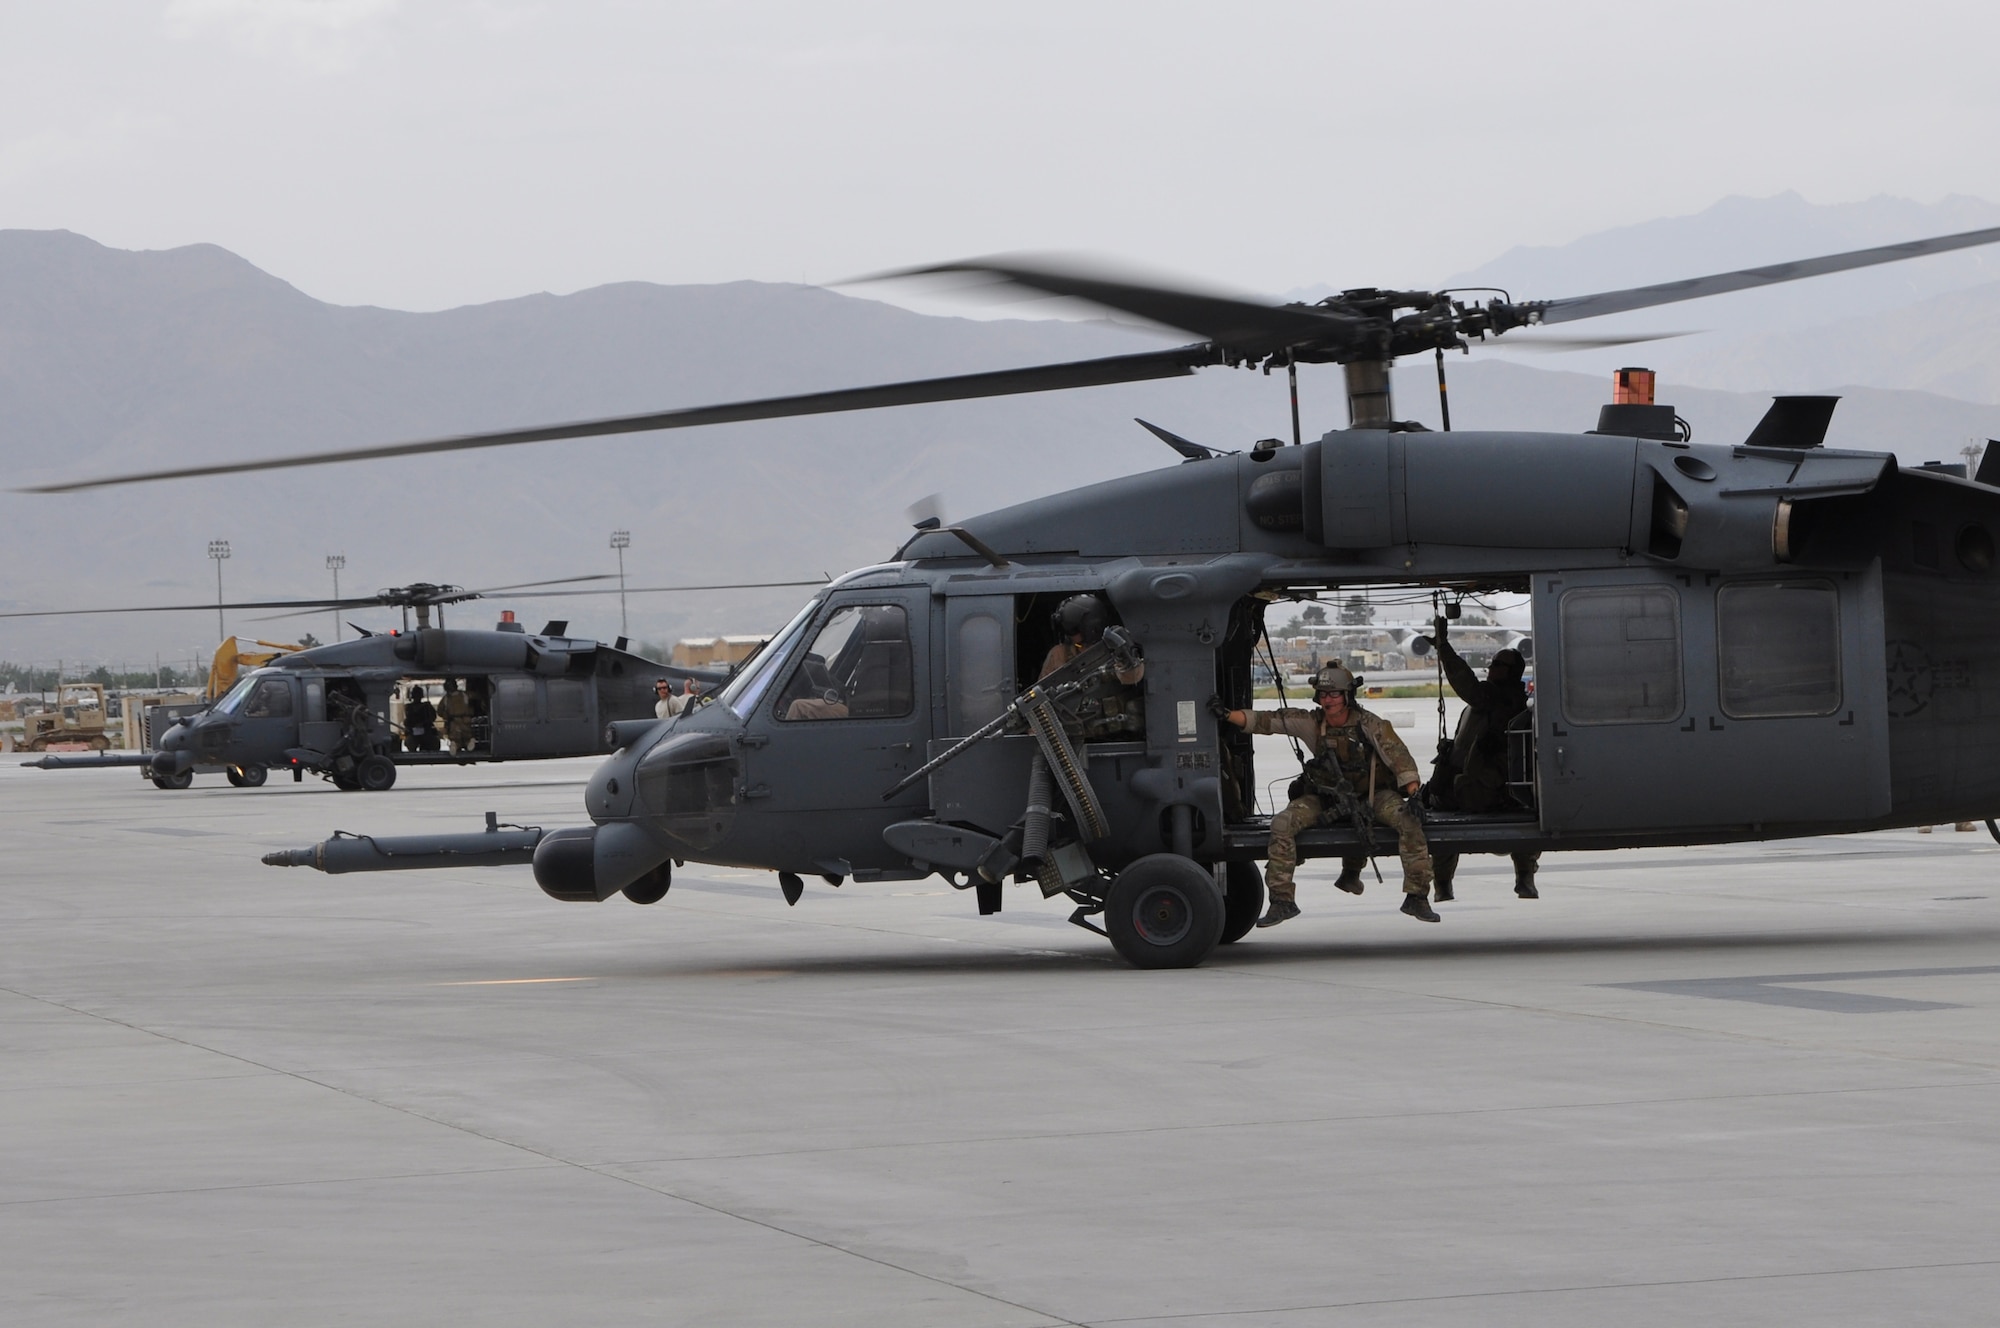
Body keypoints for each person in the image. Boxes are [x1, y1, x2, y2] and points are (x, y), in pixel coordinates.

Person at [1212, 664, 1437, 927]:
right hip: (1327, 797)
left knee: (1409, 822)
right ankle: (1282, 901)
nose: (1328, 700)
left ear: (1347, 696)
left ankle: (1417, 896)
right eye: (1323, 694)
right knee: (1282, 824)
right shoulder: (1312, 722)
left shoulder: (1371, 725)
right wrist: (1227, 714)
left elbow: (1399, 757)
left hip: (1373, 794)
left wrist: (1414, 794)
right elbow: (1266, 720)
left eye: (1334, 694)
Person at [1420, 621, 1540, 901]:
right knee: (1432, 807)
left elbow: (1466, 683)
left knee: (1438, 820)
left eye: (1498, 664)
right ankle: (1445, 884)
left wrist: (1444, 648)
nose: (1491, 667)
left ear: (1512, 674)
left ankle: (1446, 883)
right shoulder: (1485, 705)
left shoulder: (1500, 700)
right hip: (1476, 787)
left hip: (1484, 791)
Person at [1038, 593, 1145, 739]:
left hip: (1118, 738)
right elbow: (1040, 697)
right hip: (1076, 740)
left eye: (1073, 630)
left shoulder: (1115, 648)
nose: (1069, 636)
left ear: (1089, 627)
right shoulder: (1059, 654)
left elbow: (1133, 676)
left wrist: (1119, 662)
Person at [439, 678, 474, 753]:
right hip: (466, 721)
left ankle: (455, 745)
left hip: (453, 723)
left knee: (455, 738)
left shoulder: (446, 698)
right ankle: (469, 742)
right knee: (467, 736)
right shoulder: (465, 694)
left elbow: (440, 711)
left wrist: (445, 715)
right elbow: (476, 698)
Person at [403, 685, 440, 752]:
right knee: (410, 741)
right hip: (414, 733)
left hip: (426, 731)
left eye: (418, 695)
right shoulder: (409, 707)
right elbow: (407, 721)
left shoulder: (427, 706)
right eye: (416, 695)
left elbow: (433, 717)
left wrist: (425, 722)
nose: (417, 698)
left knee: (433, 742)